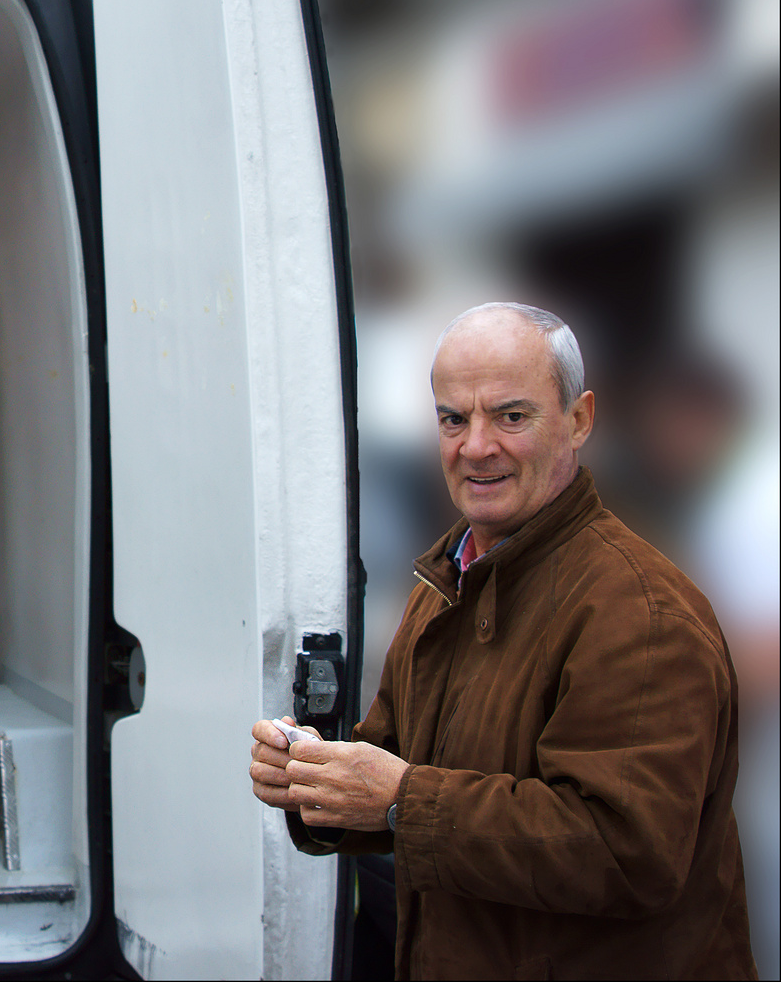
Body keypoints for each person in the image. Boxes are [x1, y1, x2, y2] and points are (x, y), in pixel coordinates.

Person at [249, 302, 757, 980]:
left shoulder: (639, 612)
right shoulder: (452, 577)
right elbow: (406, 765)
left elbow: (625, 855)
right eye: (452, 419)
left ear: (578, 421)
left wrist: (402, 798)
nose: (475, 445)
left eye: (510, 416)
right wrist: (321, 784)